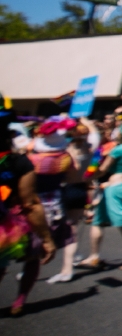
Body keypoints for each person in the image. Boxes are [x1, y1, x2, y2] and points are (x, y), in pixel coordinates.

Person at [0, 109, 57, 317]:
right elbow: (30, 203)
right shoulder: (19, 163)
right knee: (32, 257)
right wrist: (47, 239)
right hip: (9, 222)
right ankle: (19, 300)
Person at [83, 122, 122, 270]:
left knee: (98, 222)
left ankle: (94, 256)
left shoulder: (118, 150)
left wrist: (90, 173)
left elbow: (103, 169)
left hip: (115, 186)